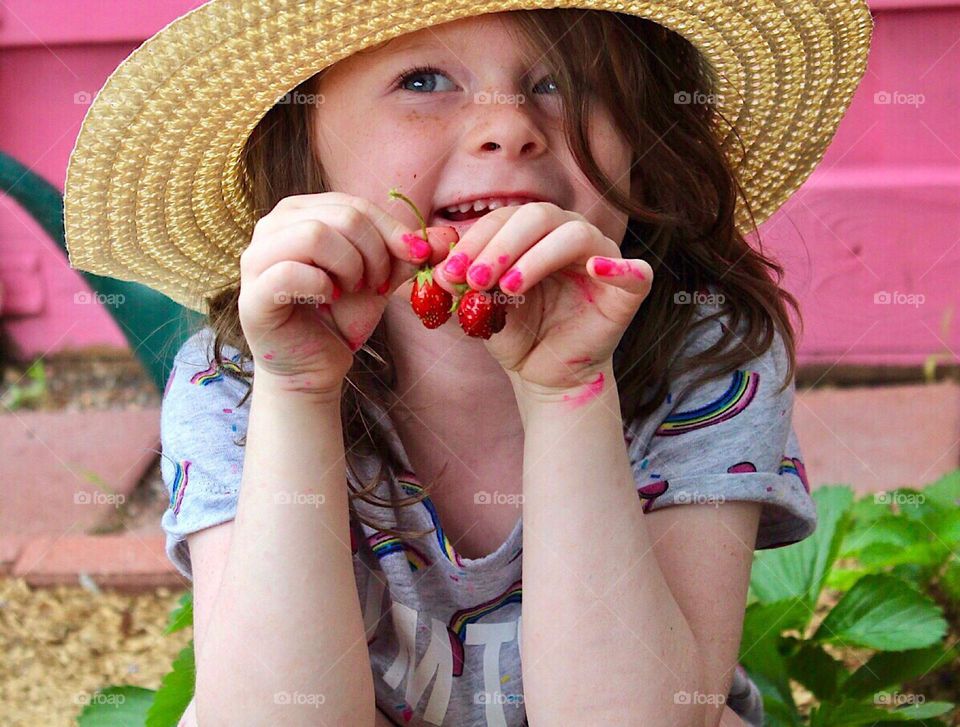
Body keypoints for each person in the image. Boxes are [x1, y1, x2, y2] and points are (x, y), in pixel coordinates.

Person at [62, 2, 873, 725]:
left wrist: (568, 390)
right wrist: (297, 393)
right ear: (302, 138)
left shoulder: (706, 352)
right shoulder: (239, 379)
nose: (509, 127)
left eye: (563, 81)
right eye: (423, 81)